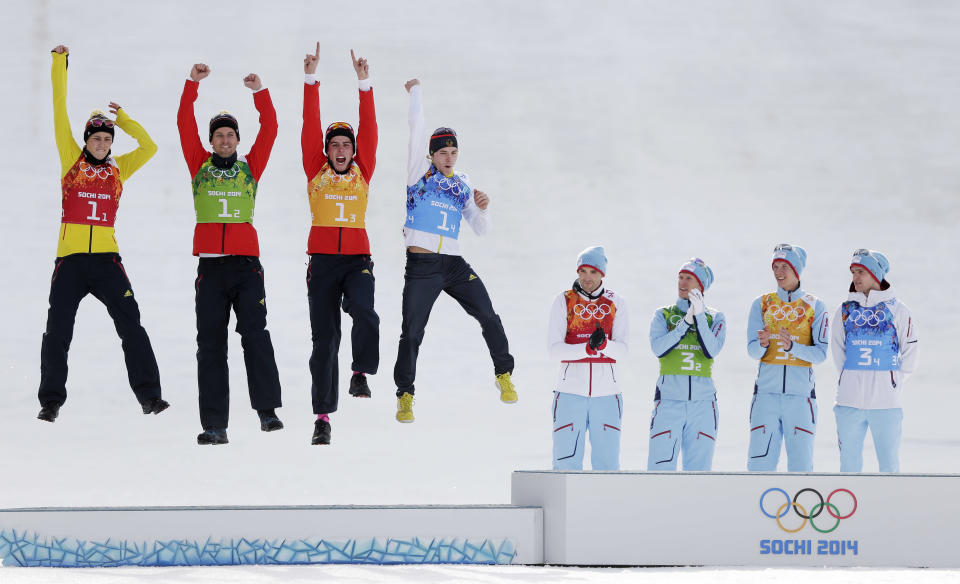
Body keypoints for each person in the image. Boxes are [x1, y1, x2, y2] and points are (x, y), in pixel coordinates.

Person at [38, 45, 168, 423]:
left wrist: (123, 119)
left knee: (131, 324)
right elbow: (58, 107)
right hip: (71, 261)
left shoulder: (119, 169)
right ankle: (51, 401)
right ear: (86, 139)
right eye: (96, 138)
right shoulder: (70, 160)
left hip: (107, 261)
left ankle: (149, 397)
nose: (102, 143)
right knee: (57, 330)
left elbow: (151, 146)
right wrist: (59, 64)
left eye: (107, 139)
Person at [393, 78, 516, 423]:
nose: (448, 158)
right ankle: (405, 394)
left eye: (453, 152)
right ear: (431, 154)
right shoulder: (419, 172)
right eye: (442, 152)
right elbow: (417, 126)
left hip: (455, 264)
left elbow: (481, 229)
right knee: (412, 332)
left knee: (488, 314)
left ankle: (503, 373)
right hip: (423, 265)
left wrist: (484, 207)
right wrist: (416, 92)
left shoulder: (463, 182)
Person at [177, 62, 283, 445]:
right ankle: (215, 426)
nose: (224, 141)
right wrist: (192, 85)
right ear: (211, 141)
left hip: (246, 267)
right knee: (210, 346)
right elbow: (183, 122)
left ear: (238, 141)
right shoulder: (198, 166)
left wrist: (259, 92)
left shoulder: (250, 169)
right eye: (219, 135)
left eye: (230, 136)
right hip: (210, 269)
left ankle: (267, 412)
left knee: (255, 336)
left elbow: (270, 129)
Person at [300, 44, 380, 446]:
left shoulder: (363, 170)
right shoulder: (316, 170)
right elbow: (309, 123)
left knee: (365, 311)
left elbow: (370, 128)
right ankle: (322, 417)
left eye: (347, 146)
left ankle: (361, 373)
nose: (342, 151)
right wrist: (310, 79)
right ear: (326, 151)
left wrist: (363, 82)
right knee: (325, 339)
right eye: (335, 146)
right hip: (323, 264)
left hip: (356, 260)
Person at [831, 249, 918, 472]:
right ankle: (852, 507)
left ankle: (889, 506)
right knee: (849, 466)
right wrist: (850, 378)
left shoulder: (898, 310)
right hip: (848, 402)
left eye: (861, 271)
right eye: (853, 272)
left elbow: (910, 351)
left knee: (889, 467)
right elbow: (839, 351)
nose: (855, 278)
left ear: (876, 274)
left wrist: (894, 382)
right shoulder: (844, 310)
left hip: (886, 404)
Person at [746, 244, 829, 471]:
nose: (779, 272)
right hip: (766, 396)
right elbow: (752, 351)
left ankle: (800, 507)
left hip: (801, 398)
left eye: (785, 266)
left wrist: (793, 347)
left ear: (797, 270)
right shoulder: (762, 303)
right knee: (759, 466)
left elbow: (821, 354)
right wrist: (762, 345)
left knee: (801, 468)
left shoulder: (815, 305)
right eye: (775, 266)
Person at [548, 246, 628, 470]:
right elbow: (554, 350)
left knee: (607, 464)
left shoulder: (616, 302)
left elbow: (623, 351)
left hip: (608, 395)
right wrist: (587, 348)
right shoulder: (564, 300)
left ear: (602, 274)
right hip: (569, 393)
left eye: (593, 272)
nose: (587, 277)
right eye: (582, 271)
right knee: (565, 463)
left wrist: (603, 345)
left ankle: (605, 505)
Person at [648, 258, 725, 471]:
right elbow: (659, 349)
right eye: (680, 277)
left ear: (700, 285)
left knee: (699, 473)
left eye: (689, 278)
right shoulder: (663, 314)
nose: (682, 282)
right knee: (659, 470)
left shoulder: (715, 317)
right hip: (669, 401)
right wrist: (685, 323)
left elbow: (711, 350)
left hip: (703, 405)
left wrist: (699, 316)